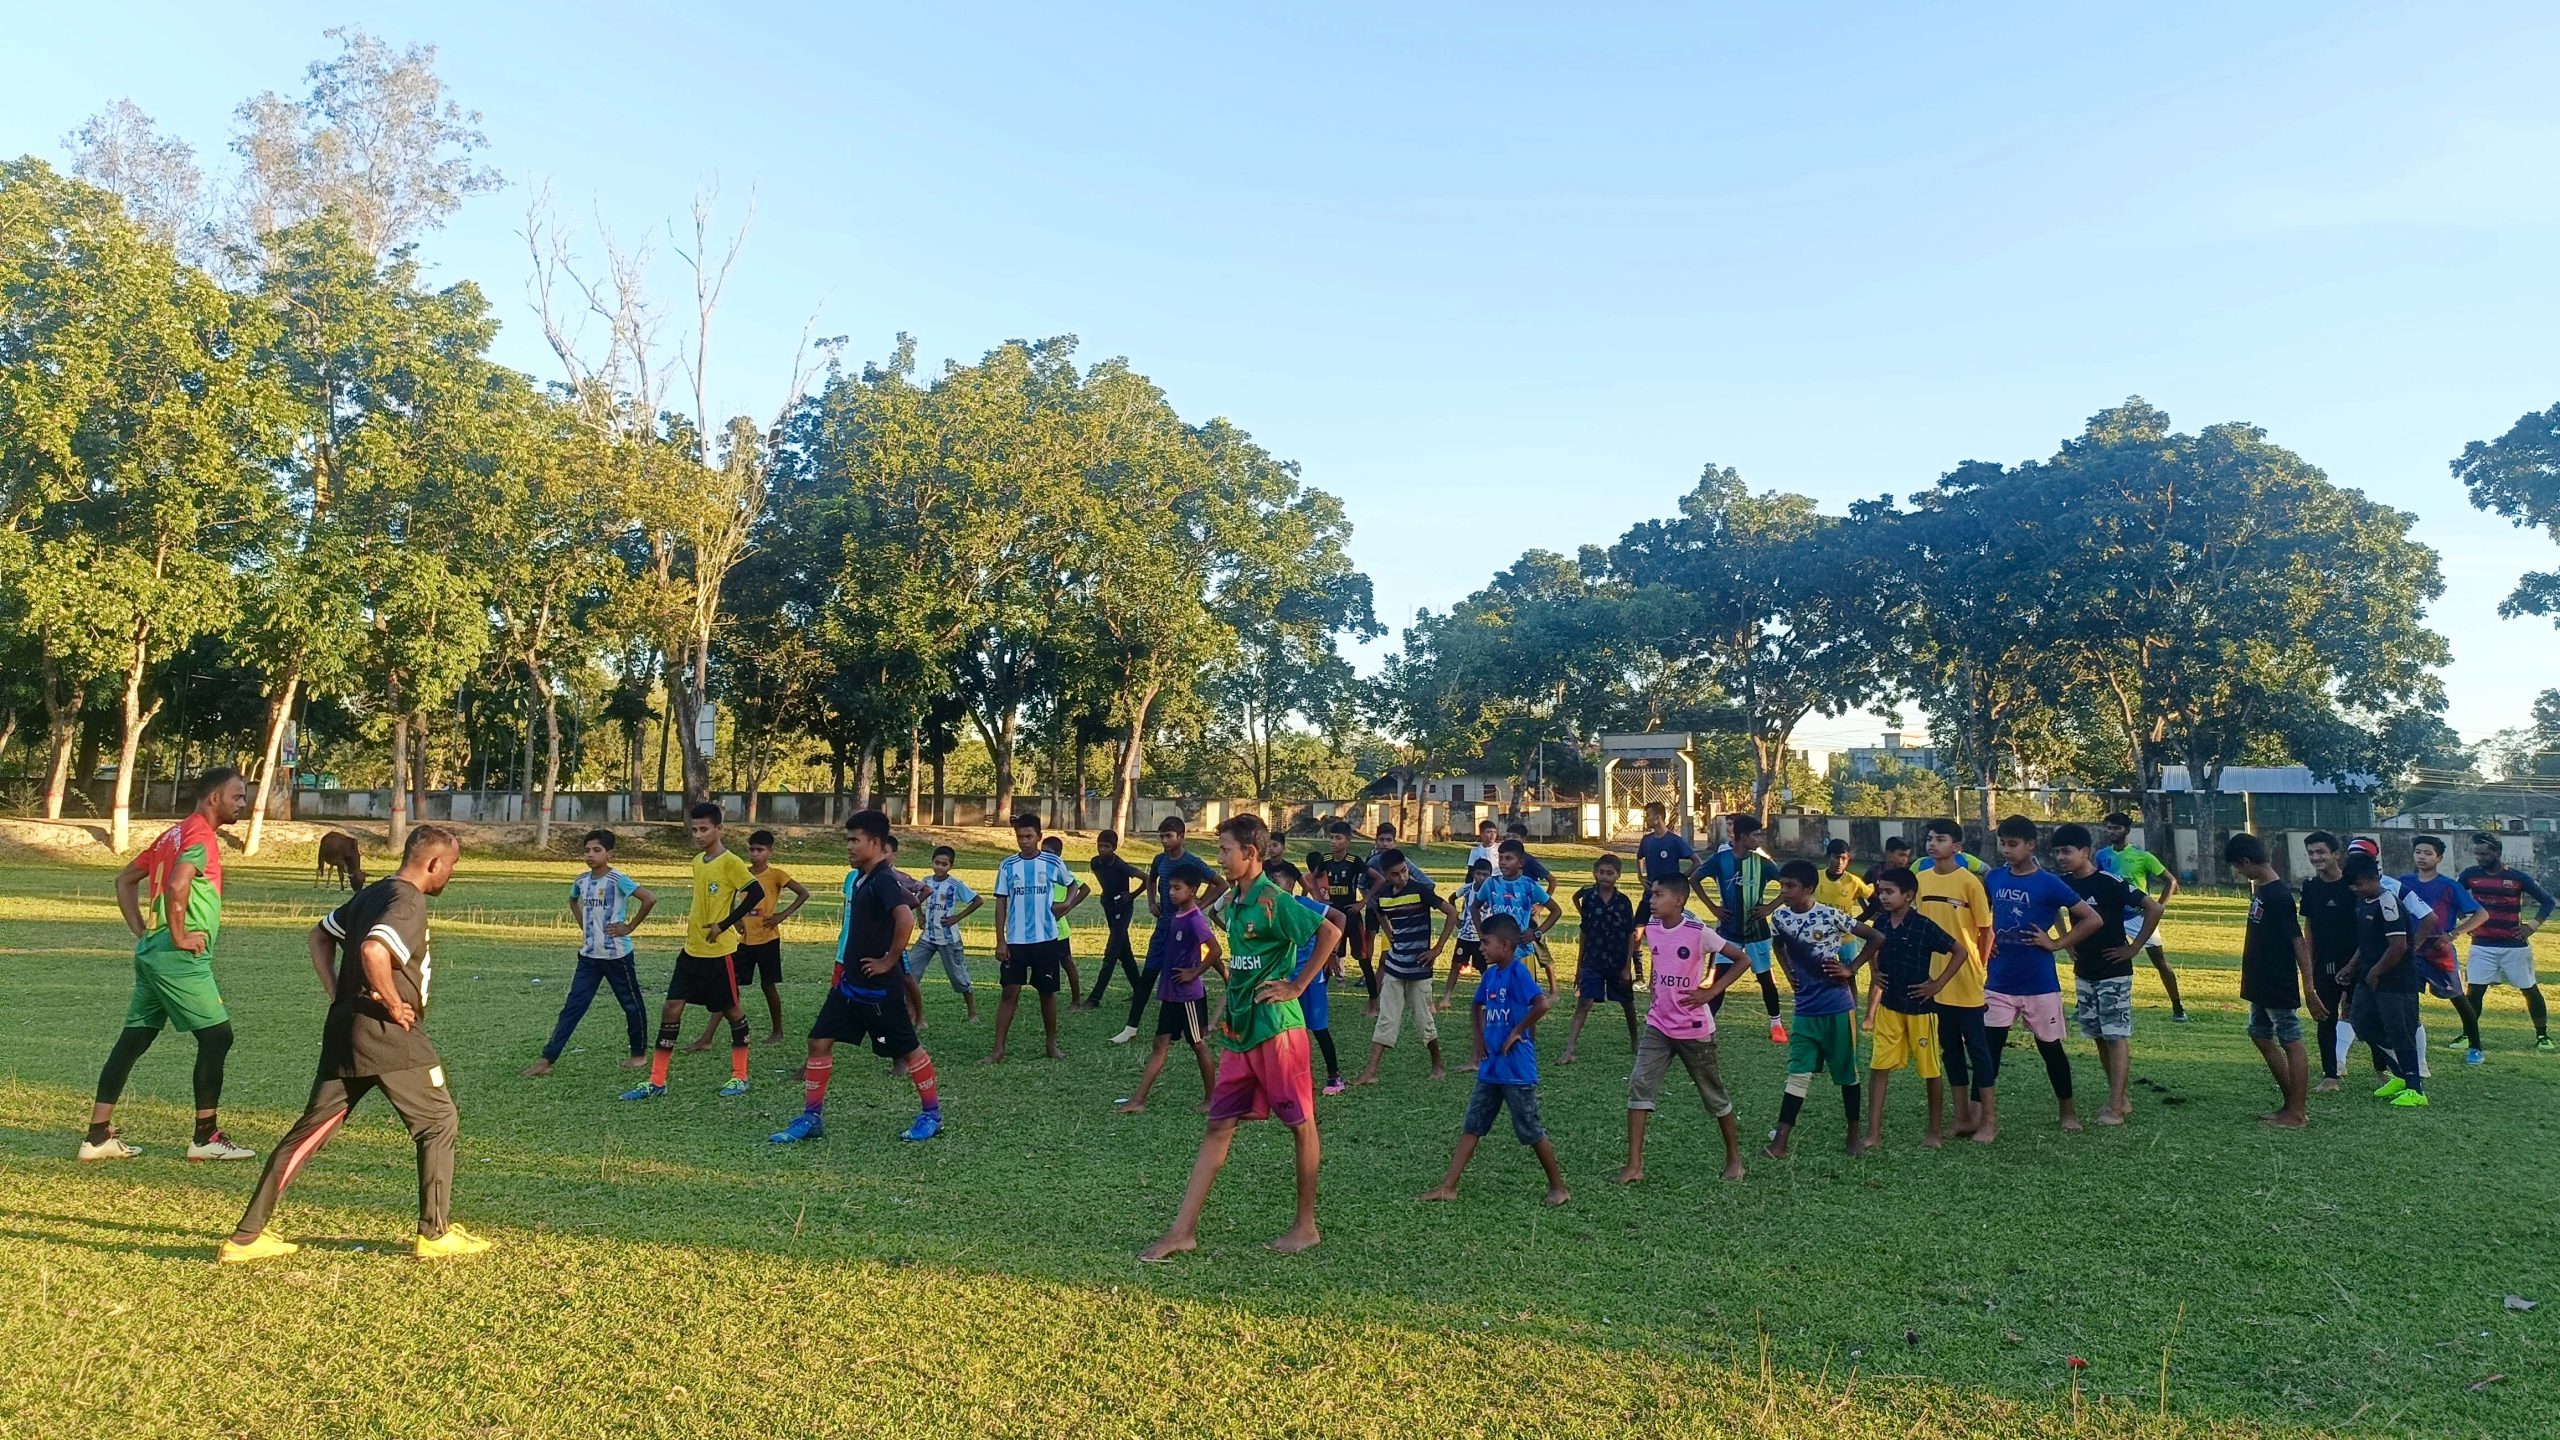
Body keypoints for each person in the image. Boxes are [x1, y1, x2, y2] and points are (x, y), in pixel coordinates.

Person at [220, 826, 490, 1262]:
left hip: (346, 1029)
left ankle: (246, 1238)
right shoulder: (407, 899)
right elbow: (373, 951)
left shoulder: (374, 892)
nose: (451, 874)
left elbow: (320, 935)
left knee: (309, 1132)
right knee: (439, 1121)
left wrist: (337, 994)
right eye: (453, 865)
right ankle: (435, 1235)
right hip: (389, 1036)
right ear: (434, 863)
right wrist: (390, 1001)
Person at [1138, 813, 1341, 1262]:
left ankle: (1306, 1226)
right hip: (1240, 1032)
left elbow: (1331, 929)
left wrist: (1298, 985)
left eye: (1226, 849)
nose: (1220, 857)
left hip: (1278, 1031)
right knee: (1217, 1125)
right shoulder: (1232, 900)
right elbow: (1236, 953)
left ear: (1251, 853)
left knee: (1300, 1125)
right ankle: (1182, 1231)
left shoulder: (1274, 899)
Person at [83, 767, 255, 1163]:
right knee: (217, 1037)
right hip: (179, 956)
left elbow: (124, 880)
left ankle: (97, 1138)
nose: (241, 804)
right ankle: (205, 1137)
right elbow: (178, 885)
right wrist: (178, 937)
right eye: (238, 796)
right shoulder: (199, 835)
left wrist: (145, 932)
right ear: (214, 798)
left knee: (135, 1039)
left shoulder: (171, 834)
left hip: (154, 953)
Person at [770, 811, 943, 1143]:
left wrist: (888, 960)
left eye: (854, 840)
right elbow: (908, 899)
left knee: (910, 1050)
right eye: (847, 840)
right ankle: (812, 1117)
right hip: (849, 986)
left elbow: (905, 919)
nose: (848, 847)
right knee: (818, 1041)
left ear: (875, 843)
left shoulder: (881, 878)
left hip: (879, 990)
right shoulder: (864, 877)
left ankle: (932, 1115)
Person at [1420, 914, 1568, 1206]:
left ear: (1506, 944)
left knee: (1531, 1131)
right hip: (1490, 1069)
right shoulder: (1489, 975)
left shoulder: (1518, 973)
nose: (1482, 948)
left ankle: (1558, 1187)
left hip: (1516, 1070)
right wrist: (1478, 1043)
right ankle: (1448, 1186)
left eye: (1486, 942)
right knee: (1473, 1125)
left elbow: (1541, 1004)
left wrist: (1517, 1031)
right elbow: (1476, 1005)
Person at [1614, 875, 1752, 1183]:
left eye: (1659, 893)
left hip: (1692, 1028)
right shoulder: (1651, 928)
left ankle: (1734, 1160)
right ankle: (1634, 1166)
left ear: (1678, 900)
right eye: (1652, 894)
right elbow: (1660, 967)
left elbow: (1742, 960)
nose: (1652, 899)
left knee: (1713, 1096)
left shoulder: (1697, 931)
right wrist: (1654, 988)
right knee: (1640, 1086)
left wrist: (1710, 992)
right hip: (1658, 1024)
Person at [1972, 816, 2101, 1144]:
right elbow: (1978, 914)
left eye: (2012, 844)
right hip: (1998, 982)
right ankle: (1984, 1119)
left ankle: (2068, 1111)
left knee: (2051, 1049)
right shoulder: (1994, 877)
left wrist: (2057, 943)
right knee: (1989, 1051)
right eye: (2002, 843)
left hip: (2039, 984)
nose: (2006, 850)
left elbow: (2092, 919)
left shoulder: (2049, 883)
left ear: (2031, 846)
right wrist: (1985, 938)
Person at [621, 803, 763, 1101]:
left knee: (732, 1011)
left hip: (719, 954)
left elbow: (756, 893)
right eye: (694, 829)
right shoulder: (698, 861)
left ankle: (740, 1076)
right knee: (671, 1007)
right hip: (691, 951)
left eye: (704, 829)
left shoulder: (731, 862)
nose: (698, 835)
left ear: (718, 829)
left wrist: (725, 924)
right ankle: (657, 1081)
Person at [2050, 822, 2160, 1126]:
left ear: (2085, 852)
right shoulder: (2063, 883)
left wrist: (2134, 947)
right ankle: (2120, 1096)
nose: (2061, 857)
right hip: (2085, 971)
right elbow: (2051, 908)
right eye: (2057, 852)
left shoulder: (2108, 881)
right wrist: (2066, 942)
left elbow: (2153, 907)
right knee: (2098, 1034)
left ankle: (2115, 1107)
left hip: (2114, 970)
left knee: (2115, 1035)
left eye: (2067, 851)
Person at [1761, 860, 1872, 1159]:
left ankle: (1853, 1135)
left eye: (1790, 886)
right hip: (1805, 1010)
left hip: (1838, 1009)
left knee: (1848, 1073)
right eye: (1781, 886)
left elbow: (1876, 938)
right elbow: (1778, 945)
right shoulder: (1781, 918)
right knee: (1797, 1073)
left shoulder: (1830, 915)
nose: (1783, 892)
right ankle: (1780, 1142)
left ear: (1808, 889)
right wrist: (1787, 972)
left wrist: (1852, 968)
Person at [526, 829, 657, 1078]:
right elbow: (573, 901)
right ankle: (547, 1058)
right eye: (587, 850)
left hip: (617, 956)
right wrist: (585, 927)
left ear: (609, 853)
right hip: (589, 957)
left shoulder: (618, 879)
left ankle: (639, 1055)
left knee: (631, 1005)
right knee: (573, 1006)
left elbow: (649, 899)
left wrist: (629, 927)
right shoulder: (581, 881)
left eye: (597, 850)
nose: (590, 855)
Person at [2226, 833, 2322, 1127]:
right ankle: (2290, 1103)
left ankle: (2297, 1113)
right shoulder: (2262, 890)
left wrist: (2309, 987)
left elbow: (2298, 942)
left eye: (2238, 867)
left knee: (2291, 1040)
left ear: (2246, 861)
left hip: (2277, 982)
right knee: (2260, 1036)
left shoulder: (2278, 896)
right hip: (2259, 982)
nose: (2238, 873)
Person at [1859, 867, 1956, 1151]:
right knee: (1879, 1066)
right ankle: (1873, 1133)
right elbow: (1871, 948)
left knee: (1930, 1070)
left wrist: (1937, 984)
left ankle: (1934, 1132)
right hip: (1889, 1007)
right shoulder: (1881, 924)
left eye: (1889, 892)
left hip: (1920, 1008)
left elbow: (1959, 951)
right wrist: (1874, 972)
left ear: (1909, 895)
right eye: (1880, 891)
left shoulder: (1924, 925)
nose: (1883, 896)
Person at [1911, 818, 1996, 1137]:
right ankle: (1961, 1117)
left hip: (1966, 977)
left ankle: (1988, 1121)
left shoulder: (1969, 882)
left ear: (1957, 847)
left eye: (1941, 839)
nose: (1933, 844)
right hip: (1933, 979)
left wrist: (1981, 968)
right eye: (1930, 838)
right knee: (1949, 1048)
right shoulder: (1920, 880)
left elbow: (1986, 931)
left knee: (1978, 1049)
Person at [1115, 869, 1224, 1114]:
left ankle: (1212, 1099)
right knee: (1160, 1043)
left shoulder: (1195, 918)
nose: (1172, 893)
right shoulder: (1177, 914)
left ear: (1193, 890)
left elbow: (1215, 951)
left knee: (1197, 1044)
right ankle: (1139, 1100)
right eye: (1170, 888)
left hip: (1188, 996)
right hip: (1171, 993)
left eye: (1177, 888)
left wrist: (1194, 972)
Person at [1113, 818, 1227, 1044]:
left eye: (1169, 836)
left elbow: (1221, 883)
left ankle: (1196, 1026)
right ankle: (1131, 1027)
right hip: (1164, 926)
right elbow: (1151, 879)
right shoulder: (1159, 860)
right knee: (1149, 975)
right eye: (1161, 836)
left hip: (1186, 929)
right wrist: (1152, 902)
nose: (1165, 841)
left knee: (1186, 976)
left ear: (1182, 837)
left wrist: (1201, 904)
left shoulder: (1193, 862)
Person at [690, 829, 807, 1049]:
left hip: (768, 939)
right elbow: (730, 897)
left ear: (770, 851)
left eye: (760, 850)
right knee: (730, 988)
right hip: (743, 942)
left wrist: (781, 916)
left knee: (768, 985)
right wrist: (735, 920)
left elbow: (803, 893)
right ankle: (707, 1038)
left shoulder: (777, 874)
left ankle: (777, 1031)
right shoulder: (742, 873)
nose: (754, 854)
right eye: (751, 849)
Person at [986, 814, 1086, 1065]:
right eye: (1020, 837)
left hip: (1046, 939)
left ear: (1039, 837)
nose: (1024, 841)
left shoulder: (1052, 862)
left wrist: (1067, 904)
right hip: (1016, 941)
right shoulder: (1008, 865)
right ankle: (998, 1050)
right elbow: (1001, 902)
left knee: (1047, 993)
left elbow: (1073, 884)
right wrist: (1001, 940)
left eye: (1029, 836)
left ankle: (1051, 1045)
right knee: (1009, 993)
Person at [1354, 848, 1454, 1085]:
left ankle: (1438, 1064)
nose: (1402, 877)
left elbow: (1451, 913)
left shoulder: (1421, 891)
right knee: (1387, 1017)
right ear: (1386, 876)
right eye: (1395, 874)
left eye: (1404, 871)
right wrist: (1391, 933)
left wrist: (1437, 949)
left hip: (1419, 968)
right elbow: (1379, 913)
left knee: (1423, 1020)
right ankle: (1371, 1071)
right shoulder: (1384, 895)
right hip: (1395, 965)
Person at [2340, 852, 2427, 1108]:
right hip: (2370, 975)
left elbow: (2398, 946)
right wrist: (2352, 966)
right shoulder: (2363, 901)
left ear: (2373, 879)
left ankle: (2415, 1089)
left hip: (2396, 981)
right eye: (2352, 885)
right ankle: (2400, 1075)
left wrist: (2376, 972)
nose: (2354, 889)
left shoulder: (2388, 904)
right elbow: (2366, 942)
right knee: (2361, 1023)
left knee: (2400, 1031)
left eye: (2358, 884)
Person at [2458, 831, 2554, 1053]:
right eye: (2477, 854)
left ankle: (2542, 1036)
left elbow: (2547, 901)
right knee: (2474, 992)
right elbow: (2452, 897)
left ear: (2498, 853)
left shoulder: (2517, 877)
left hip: (2514, 946)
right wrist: (2466, 923)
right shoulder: (2469, 875)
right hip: (2482, 945)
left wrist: (2532, 926)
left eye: (2485, 853)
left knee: (2529, 990)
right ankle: (2467, 1034)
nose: (2480, 858)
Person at [1697, 813, 1789, 1044]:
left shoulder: (1762, 863)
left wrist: (1769, 907)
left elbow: (1787, 886)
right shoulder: (1720, 860)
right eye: (1756, 835)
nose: (1760, 839)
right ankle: (1706, 1026)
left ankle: (1776, 1024)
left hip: (1757, 932)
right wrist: (1714, 908)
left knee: (1765, 978)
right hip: (1728, 932)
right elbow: (1694, 879)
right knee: (1720, 979)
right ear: (1741, 837)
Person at [2400, 835, 2487, 1065]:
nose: (2422, 857)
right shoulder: (2404, 882)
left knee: (2458, 999)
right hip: (2411, 951)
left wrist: (2453, 934)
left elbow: (2481, 914)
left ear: (2438, 858)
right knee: (2408, 1000)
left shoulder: (2449, 886)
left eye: (2428, 853)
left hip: (2439, 952)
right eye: (2418, 852)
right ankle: (2412, 1049)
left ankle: (2475, 1045)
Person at [2096, 813, 2187, 1022]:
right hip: (2111, 918)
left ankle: (2177, 1006)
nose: (2111, 832)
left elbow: (2171, 881)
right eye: (2109, 828)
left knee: (2160, 962)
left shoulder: (2143, 856)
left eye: (2116, 828)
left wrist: (2158, 908)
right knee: (2101, 957)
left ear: (2127, 831)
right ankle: (2091, 1003)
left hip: (2138, 916)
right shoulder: (2101, 856)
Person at [2298, 831, 2362, 1091]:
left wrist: (2354, 965)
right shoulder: (2311, 888)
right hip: (2325, 963)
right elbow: (2309, 928)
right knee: (2325, 1018)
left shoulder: (2354, 885)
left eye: (2321, 852)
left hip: (2358, 962)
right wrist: (2309, 966)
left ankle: (2384, 1071)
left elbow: (2365, 928)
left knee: (2367, 1017)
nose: (2316, 857)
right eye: (2312, 853)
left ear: (2336, 854)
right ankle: (2331, 1075)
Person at [1279, 856, 1348, 1094]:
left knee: (1318, 1028)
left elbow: (1339, 918)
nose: (1271, 885)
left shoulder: (1303, 905)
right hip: (1283, 980)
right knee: (1286, 1032)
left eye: (1276, 880)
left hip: (1309, 979)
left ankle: (1334, 1077)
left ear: (1290, 885)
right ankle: (1290, 1079)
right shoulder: (1268, 909)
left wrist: (1332, 953)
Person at [1562, 856, 1640, 1064]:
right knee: (1584, 1002)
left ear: (1618, 875)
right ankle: (1570, 1048)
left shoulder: (1623, 902)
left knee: (1627, 1003)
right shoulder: (1589, 898)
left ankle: (1635, 1041)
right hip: (1593, 960)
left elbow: (1630, 934)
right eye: (1602, 872)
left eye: (1610, 873)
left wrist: (1627, 966)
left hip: (1617, 961)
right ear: (1595, 873)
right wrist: (1579, 966)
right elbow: (1584, 932)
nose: (1605, 877)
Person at [1471, 839, 1563, 992]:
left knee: (1524, 998)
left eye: (1509, 858)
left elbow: (1556, 911)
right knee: (1498, 997)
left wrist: (1536, 933)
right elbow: (1474, 907)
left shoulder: (1529, 886)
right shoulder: (1491, 884)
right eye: (1500, 858)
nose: (1503, 863)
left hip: (1523, 951)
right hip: (1498, 951)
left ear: (1520, 862)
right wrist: (1482, 932)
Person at [903, 845, 981, 1022]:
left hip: (948, 939)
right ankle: (912, 1014)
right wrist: (920, 914)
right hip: (927, 937)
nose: (939, 867)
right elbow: (916, 899)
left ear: (950, 866)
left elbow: (978, 900)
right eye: (936, 862)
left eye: (944, 864)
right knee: (910, 973)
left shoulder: (955, 885)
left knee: (959, 977)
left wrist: (957, 917)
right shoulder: (926, 882)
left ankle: (972, 1012)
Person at [1312, 821, 1383, 1014]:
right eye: (1331, 837)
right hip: (1333, 917)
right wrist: (1319, 899)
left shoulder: (1354, 861)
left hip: (1351, 916)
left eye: (1338, 838)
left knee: (1363, 958)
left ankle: (1372, 1004)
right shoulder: (1326, 859)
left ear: (1347, 840)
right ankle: (1318, 1005)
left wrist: (1363, 901)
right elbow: (1312, 878)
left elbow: (1379, 879)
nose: (1333, 841)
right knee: (1326, 958)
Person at [1078, 828, 1147, 1013]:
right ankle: (1141, 991)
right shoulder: (1095, 863)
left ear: (1114, 847)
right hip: (1109, 908)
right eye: (1100, 846)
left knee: (1111, 954)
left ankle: (1094, 998)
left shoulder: (1121, 865)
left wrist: (1131, 896)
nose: (1102, 850)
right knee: (1124, 952)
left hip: (1123, 910)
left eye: (1107, 847)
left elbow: (1147, 879)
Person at [1039, 834, 1089, 1004]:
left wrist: (1067, 906)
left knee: (1067, 962)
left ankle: (1076, 1000)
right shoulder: (1039, 871)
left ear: (1059, 854)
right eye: (1043, 852)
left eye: (1049, 853)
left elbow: (1084, 889)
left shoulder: (1063, 873)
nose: (1045, 856)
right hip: (1041, 928)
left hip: (1059, 929)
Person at [1442, 858, 1494, 1012]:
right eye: (1479, 874)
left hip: (1483, 937)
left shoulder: (1492, 892)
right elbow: (1452, 898)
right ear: (1473, 874)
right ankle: (1447, 996)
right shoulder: (1466, 888)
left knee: (1485, 969)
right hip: (1465, 935)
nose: (1482, 878)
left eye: (1486, 875)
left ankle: (1488, 997)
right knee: (1456, 965)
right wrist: (1457, 918)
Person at [1635, 802, 1696, 892]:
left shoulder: (1674, 840)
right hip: (1650, 894)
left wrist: (1680, 878)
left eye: (1648, 815)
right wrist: (1640, 877)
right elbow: (1639, 858)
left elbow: (1697, 862)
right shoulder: (1646, 840)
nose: (1645, 819)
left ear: (1657, 817)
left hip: (1669, 895)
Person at [1503, 822, 1555, 887]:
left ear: (1523, 839)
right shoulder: (1502, 858)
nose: (1510, 839)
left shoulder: (1529, 860)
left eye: (1514, 837)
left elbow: (1552, 880)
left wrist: (1545, 897)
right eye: (1508, 836)